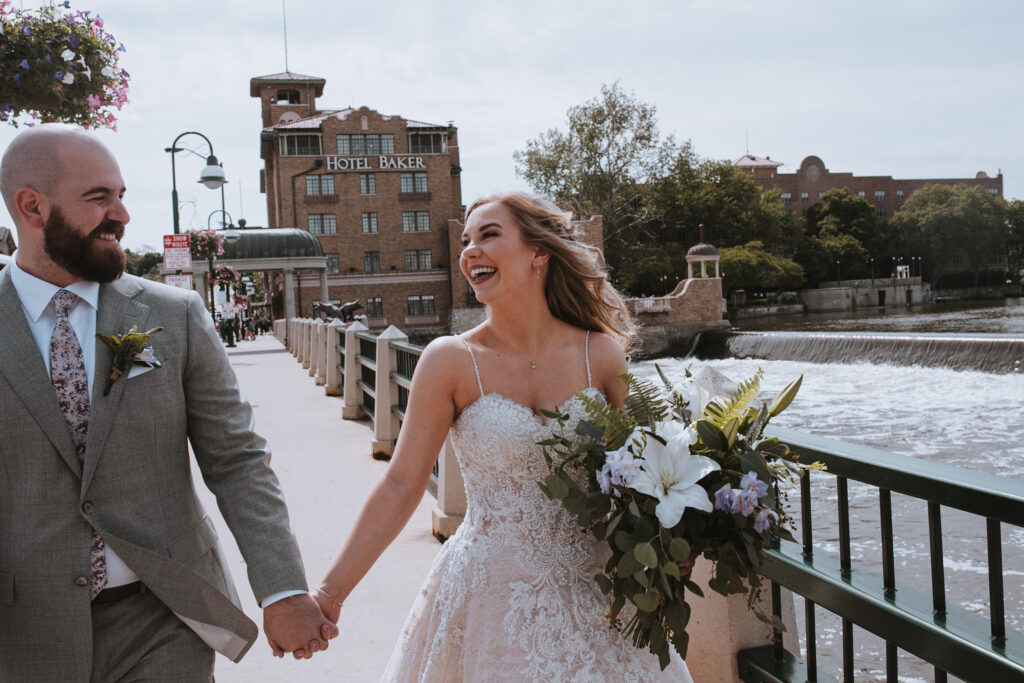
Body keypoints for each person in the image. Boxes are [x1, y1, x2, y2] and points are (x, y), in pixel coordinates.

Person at [0, 124, 337, 681]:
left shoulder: (173, 315)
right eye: (98, 198)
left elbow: (236, 459)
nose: (122, 215)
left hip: (163, 620)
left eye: (122, 195)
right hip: (22, 635)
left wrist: (282, 587)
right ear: (32, 207)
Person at [312, 192, 693, 681]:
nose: (470, 251)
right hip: (490, 597)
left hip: (599, 595)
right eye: (466, 242)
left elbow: (649, 473)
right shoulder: (449, 360)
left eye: (489, 235)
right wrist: (328, 595)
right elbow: (402, 485)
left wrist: (674, 547)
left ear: (540, 253)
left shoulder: (600, 355)